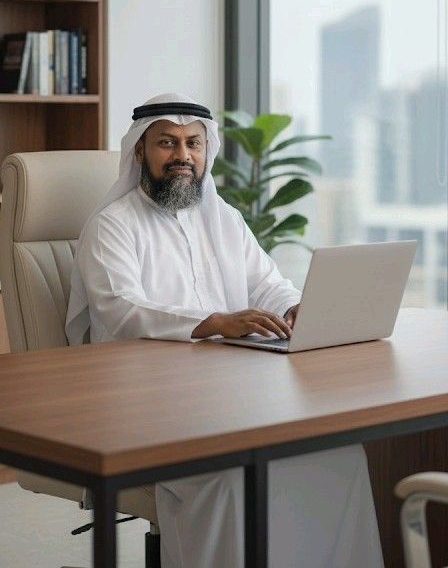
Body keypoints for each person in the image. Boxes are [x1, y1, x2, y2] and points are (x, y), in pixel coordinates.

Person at [66, 92, 384, 568]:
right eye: (167, 143)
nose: (182, 156)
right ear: (139, 151)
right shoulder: (113, 225)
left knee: (338, 459)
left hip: (230, 395)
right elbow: (119, 309)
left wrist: (297, 307)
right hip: (147, 403)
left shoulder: (225, 219)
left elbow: (267, 282)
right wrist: (211, 322)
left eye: (193, 143)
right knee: (232, 477)